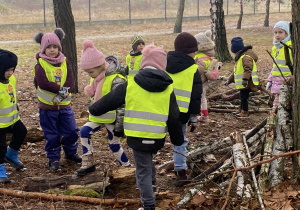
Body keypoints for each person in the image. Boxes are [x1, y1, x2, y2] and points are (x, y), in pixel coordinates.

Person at [88, 44, 184, 210]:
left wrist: (93, 109)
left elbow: (110, 100)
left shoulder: (131, 84)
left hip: (137, 136)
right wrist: (178, 140)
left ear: (143, 63)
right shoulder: (168, 88)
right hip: (157, 138)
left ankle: (148, 204)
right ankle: (152, 188)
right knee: (148, 162)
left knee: (143, 171)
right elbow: (174, 117)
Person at [76, 40, 131, 176]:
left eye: (91, 71)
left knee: (114, 144)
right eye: (87, 72)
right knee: (84, 131)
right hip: (98, 116)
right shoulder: (95, 79)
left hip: (112, 119)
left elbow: (122, 105)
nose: (89, 75)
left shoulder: (116, 80)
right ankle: (88, 161)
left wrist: (120, 126)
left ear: (101, 66)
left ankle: (126, 166)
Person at [33, 28, 81, 171]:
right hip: (47, 108)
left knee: (72, 131)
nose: (52, 50)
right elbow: (43, 83)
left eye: (55, 47)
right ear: (43, 48)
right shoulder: (40, 64)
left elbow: (70, 82)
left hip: (65, 106)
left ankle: (70, 152)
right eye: (49, 47)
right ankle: (53, 158)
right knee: (52, 134)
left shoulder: (65, 62)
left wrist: (60, 96)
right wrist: (59, 91)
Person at [165, 32, 202, 187]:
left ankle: (148, 173)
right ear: (192, 51)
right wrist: (193, 117)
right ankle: (181, 173)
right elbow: (195, 95)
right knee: (180, 141)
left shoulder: (163, 63)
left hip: (161, 109)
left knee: (156, 139)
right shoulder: (193, 69)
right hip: (181, 112)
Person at [0, 49, 27, 184]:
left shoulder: (12, 80)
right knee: (0, 147)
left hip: (12, 119)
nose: (10, 73)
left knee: (22, 132)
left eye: (12, 69)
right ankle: (0, 168)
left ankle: (11, 155)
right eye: (7, 70)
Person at [224, 37, 259, 118]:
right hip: (243, 84)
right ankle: (241, 109)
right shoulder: (240, 58)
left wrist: (245, 79)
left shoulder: (245, 57)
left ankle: (245, 112)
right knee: (242, 96)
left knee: (244, 98)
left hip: (247, 83)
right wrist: (229, 80)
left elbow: (248, 68)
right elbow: (235, 72)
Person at [266, 21, 292, 112]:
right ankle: (274, 121)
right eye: (275, 32)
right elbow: (275, 66)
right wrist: (270, 80)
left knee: (286, 105)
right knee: (276, 105)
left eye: (280, 32)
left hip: (288, 81)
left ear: (287, 33)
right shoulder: (275, 48)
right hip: (277, 81)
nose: (277, 35)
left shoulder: (290, 47)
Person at [194, 30, 219, 122]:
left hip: (198, 81)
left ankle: (203, 116)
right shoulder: (209, 56)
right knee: (203, 97)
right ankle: (204, 115)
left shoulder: (198, 56)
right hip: (205, 81)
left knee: (199, 98)